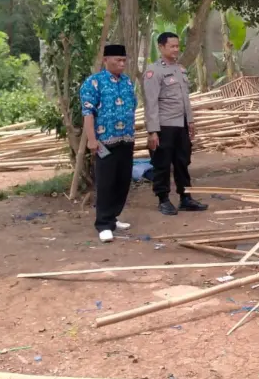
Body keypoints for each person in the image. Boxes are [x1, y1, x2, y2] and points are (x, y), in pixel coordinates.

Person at [144, 32, 208, 216]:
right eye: (171, 46)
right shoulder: (154, 71)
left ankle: (185, 198)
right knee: (162, 163)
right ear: (161, 47)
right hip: (164, 125)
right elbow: (151, 102)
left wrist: (191, 121)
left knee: (182, 161)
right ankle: (163, 199)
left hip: (181, 125)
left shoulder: (180, 70)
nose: (175, 50)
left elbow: (185, 99)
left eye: (177, 46)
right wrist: (153, 131)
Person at [80, 44, 137, 243]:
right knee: (106, 182)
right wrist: (92, 140)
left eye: (124, 61)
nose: (122, 64)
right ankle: (103, 224)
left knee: (123, 181)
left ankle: (113, 217)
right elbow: (88, 113)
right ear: (106, 60)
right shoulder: (94, 82)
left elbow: (133, 106)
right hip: (104, 142)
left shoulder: (128, 82)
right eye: (117, 61)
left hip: (126, 139)